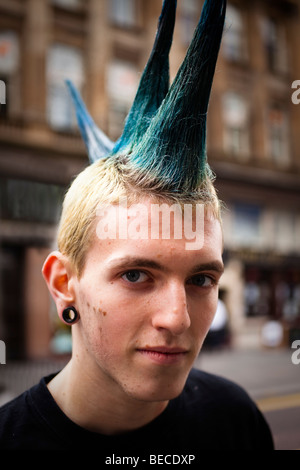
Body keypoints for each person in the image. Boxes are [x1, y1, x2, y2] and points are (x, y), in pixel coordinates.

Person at [0, 0, 274, 452]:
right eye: (135, 275)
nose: (178, 318)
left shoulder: (235, 420)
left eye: (202, 279)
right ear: (64, 283)